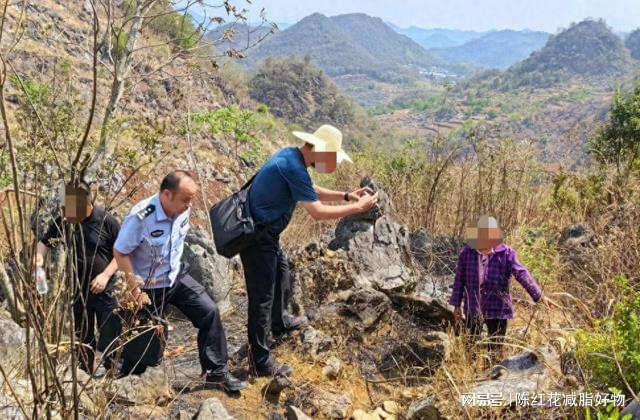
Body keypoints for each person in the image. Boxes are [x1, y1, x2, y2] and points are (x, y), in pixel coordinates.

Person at [241, 124, 379, 377]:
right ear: (322, 150)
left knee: (282, 271)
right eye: (333, 156)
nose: (333, 161)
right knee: (261, 299)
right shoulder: (292, 166)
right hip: (257, 238)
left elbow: (310, 189)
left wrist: (347, 195)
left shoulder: (291, 156)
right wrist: (358, 207)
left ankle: (280, 322)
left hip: (265, 235)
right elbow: (317, 212)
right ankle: (260, 361)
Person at [113, 170, 246, 392]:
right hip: (148, 287)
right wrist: (135, 291)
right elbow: (120, 252)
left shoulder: (183, 209)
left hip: (176, 277)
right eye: (185, 199)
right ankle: (126, 383)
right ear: (167, 194)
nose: (188, 205)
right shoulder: (141, 217)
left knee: (209, 312)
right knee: (144, 345)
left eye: (191, 199)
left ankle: (216, 373)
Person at [36, 182, 122, 375]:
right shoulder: (65, 221)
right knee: (82, 335)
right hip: (77, 289)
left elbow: (122, 253)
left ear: (86, 204)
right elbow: (44, 243)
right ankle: (85, 374)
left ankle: (113, 373)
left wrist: (105, 275)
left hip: (105, 288)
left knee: (109, 330)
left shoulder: (106, 220)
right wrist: (38, 261)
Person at [449, 216, 549, 351]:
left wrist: (538, 295)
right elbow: (459, 280)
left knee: (495, 348)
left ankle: (494, 370)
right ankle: (473, 368)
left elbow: (521, 273)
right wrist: (456, 306)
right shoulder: (467, 253)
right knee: (471, 346)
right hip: (473, 307)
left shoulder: (506, 253)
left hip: (498, 308)